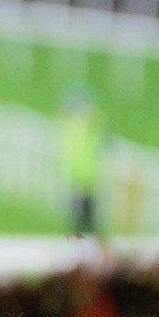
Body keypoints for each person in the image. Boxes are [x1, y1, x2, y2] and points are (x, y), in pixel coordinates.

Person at [58, 88, 108, 237]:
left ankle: (88, 245)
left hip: (87, 178)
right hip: (79, 177)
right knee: (80, 217)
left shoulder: (88, 125)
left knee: (87, 217)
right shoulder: (76, 125)